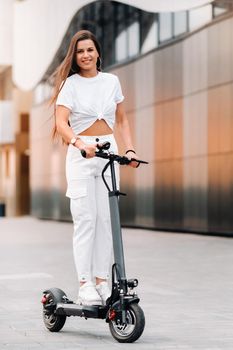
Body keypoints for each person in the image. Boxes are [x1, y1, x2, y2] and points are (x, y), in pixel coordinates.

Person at [51, 30, 139, 306]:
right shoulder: (70, 85)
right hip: (81, 154)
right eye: (80, 51)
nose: (86, 55)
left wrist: (130, 149)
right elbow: (61, 123)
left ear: (98, 52)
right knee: (86, 220)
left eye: (90, 50)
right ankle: (85, 283)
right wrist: (79, 143)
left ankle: (102, 281)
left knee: (106, 221)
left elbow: (122, 121)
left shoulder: (111, 81)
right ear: (74, 57)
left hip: (108, 150)